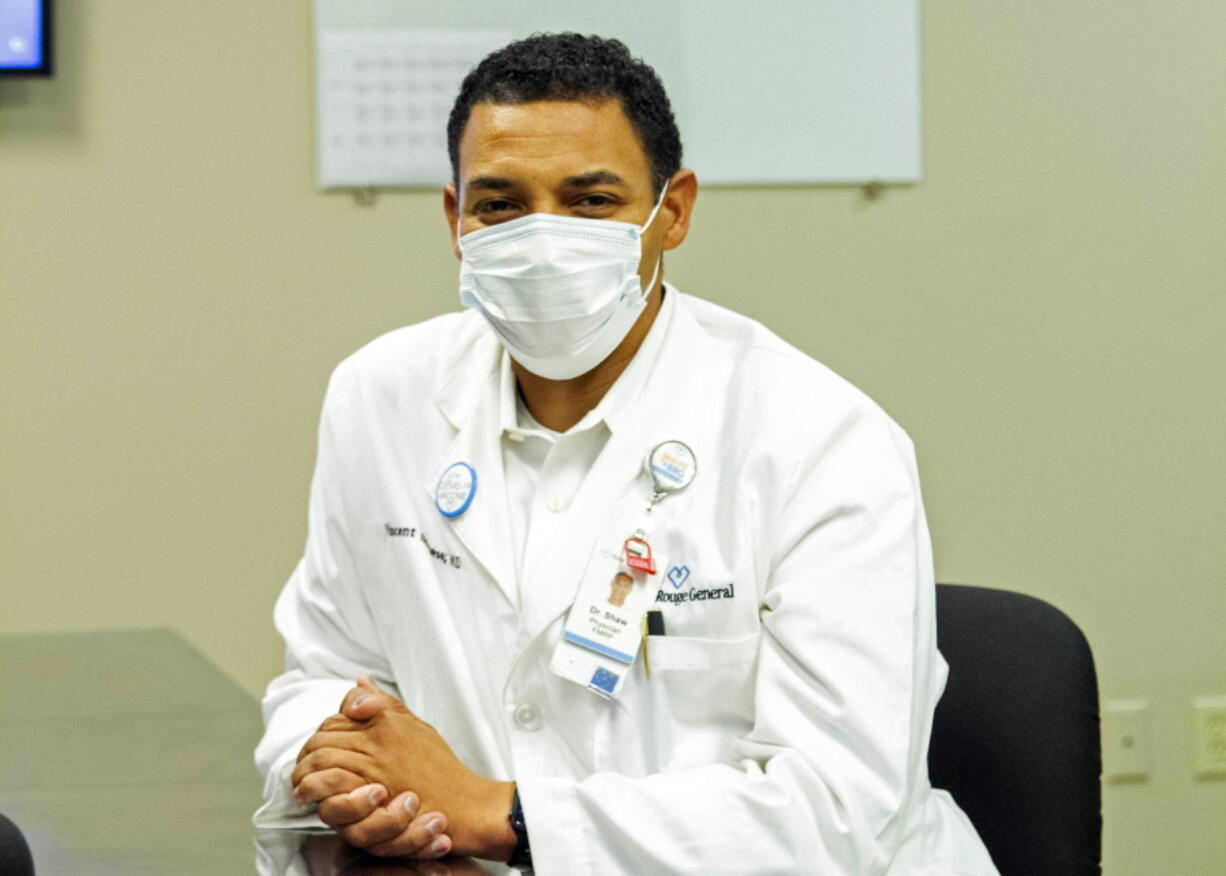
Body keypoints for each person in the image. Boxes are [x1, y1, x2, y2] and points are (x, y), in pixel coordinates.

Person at [255, 33, 998, 874]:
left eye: (590, 200)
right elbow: (322, 676)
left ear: (671, 210)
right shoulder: (379, 395)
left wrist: (502, 813)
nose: (542, 236)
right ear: (455, 219)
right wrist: (349, 775)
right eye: (499, 203)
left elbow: (836, 811)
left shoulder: (819, 437)